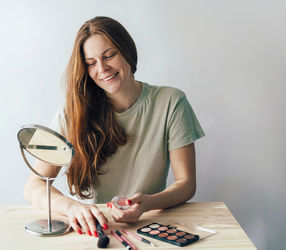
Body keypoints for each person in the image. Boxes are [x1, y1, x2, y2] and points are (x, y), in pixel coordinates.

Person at [24, 16, 204, 238]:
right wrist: (72, 207)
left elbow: (186, 184)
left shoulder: (171, 102)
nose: (103, 68)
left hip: (148, 228)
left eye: (109, 55)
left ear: (126, 51)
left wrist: (148, 203)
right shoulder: (73, 112)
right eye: (91, 63)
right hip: (93, 230)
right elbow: (34, 185)